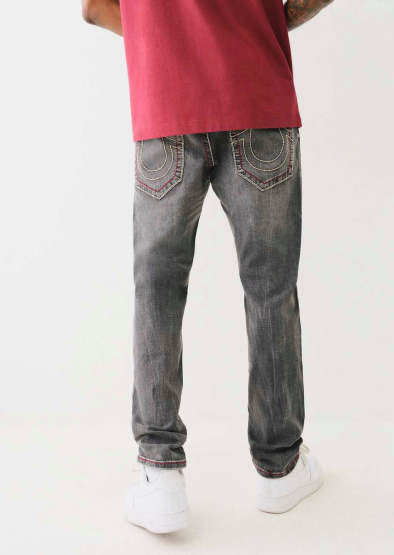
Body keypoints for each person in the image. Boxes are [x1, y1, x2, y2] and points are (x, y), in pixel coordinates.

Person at [82, 0, 335, 534]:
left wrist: (163, 41)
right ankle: (281, 467)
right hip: (258, 96)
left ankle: (160, 473)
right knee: (270, 289)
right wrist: (266, 20)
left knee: (157, 290)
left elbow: (94, 7)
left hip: (165, 106)